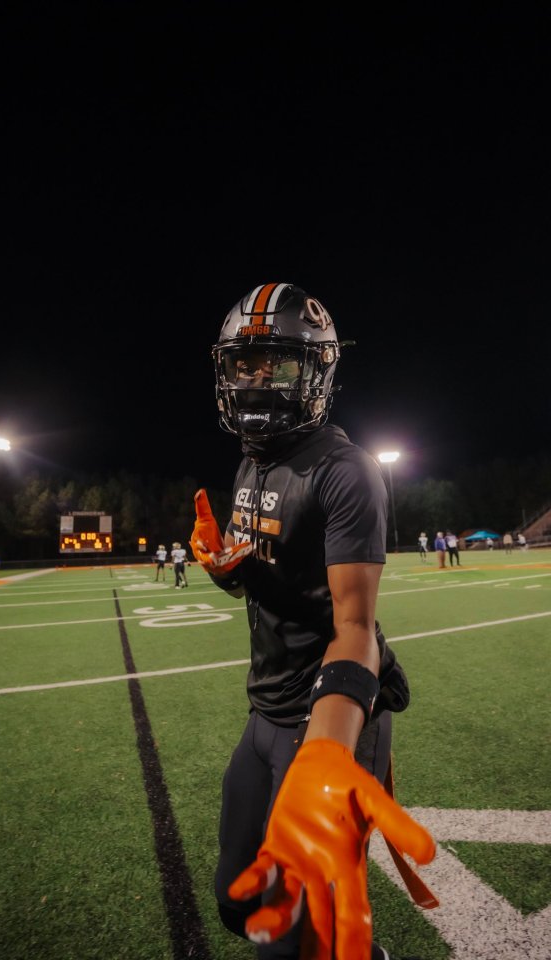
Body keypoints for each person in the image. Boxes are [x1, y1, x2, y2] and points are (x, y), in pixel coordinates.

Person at [189, 283, 436, 960]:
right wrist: (224, 567)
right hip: (266, 710)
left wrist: (326, 751)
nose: (256, 380)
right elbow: (270, 583)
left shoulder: (345, 470)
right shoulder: (251, 462)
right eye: (245, 364)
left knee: (292, 940)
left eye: (278, 364)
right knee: (237, 901)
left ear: (318, 371)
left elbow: (355, 626)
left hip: (327, 719)